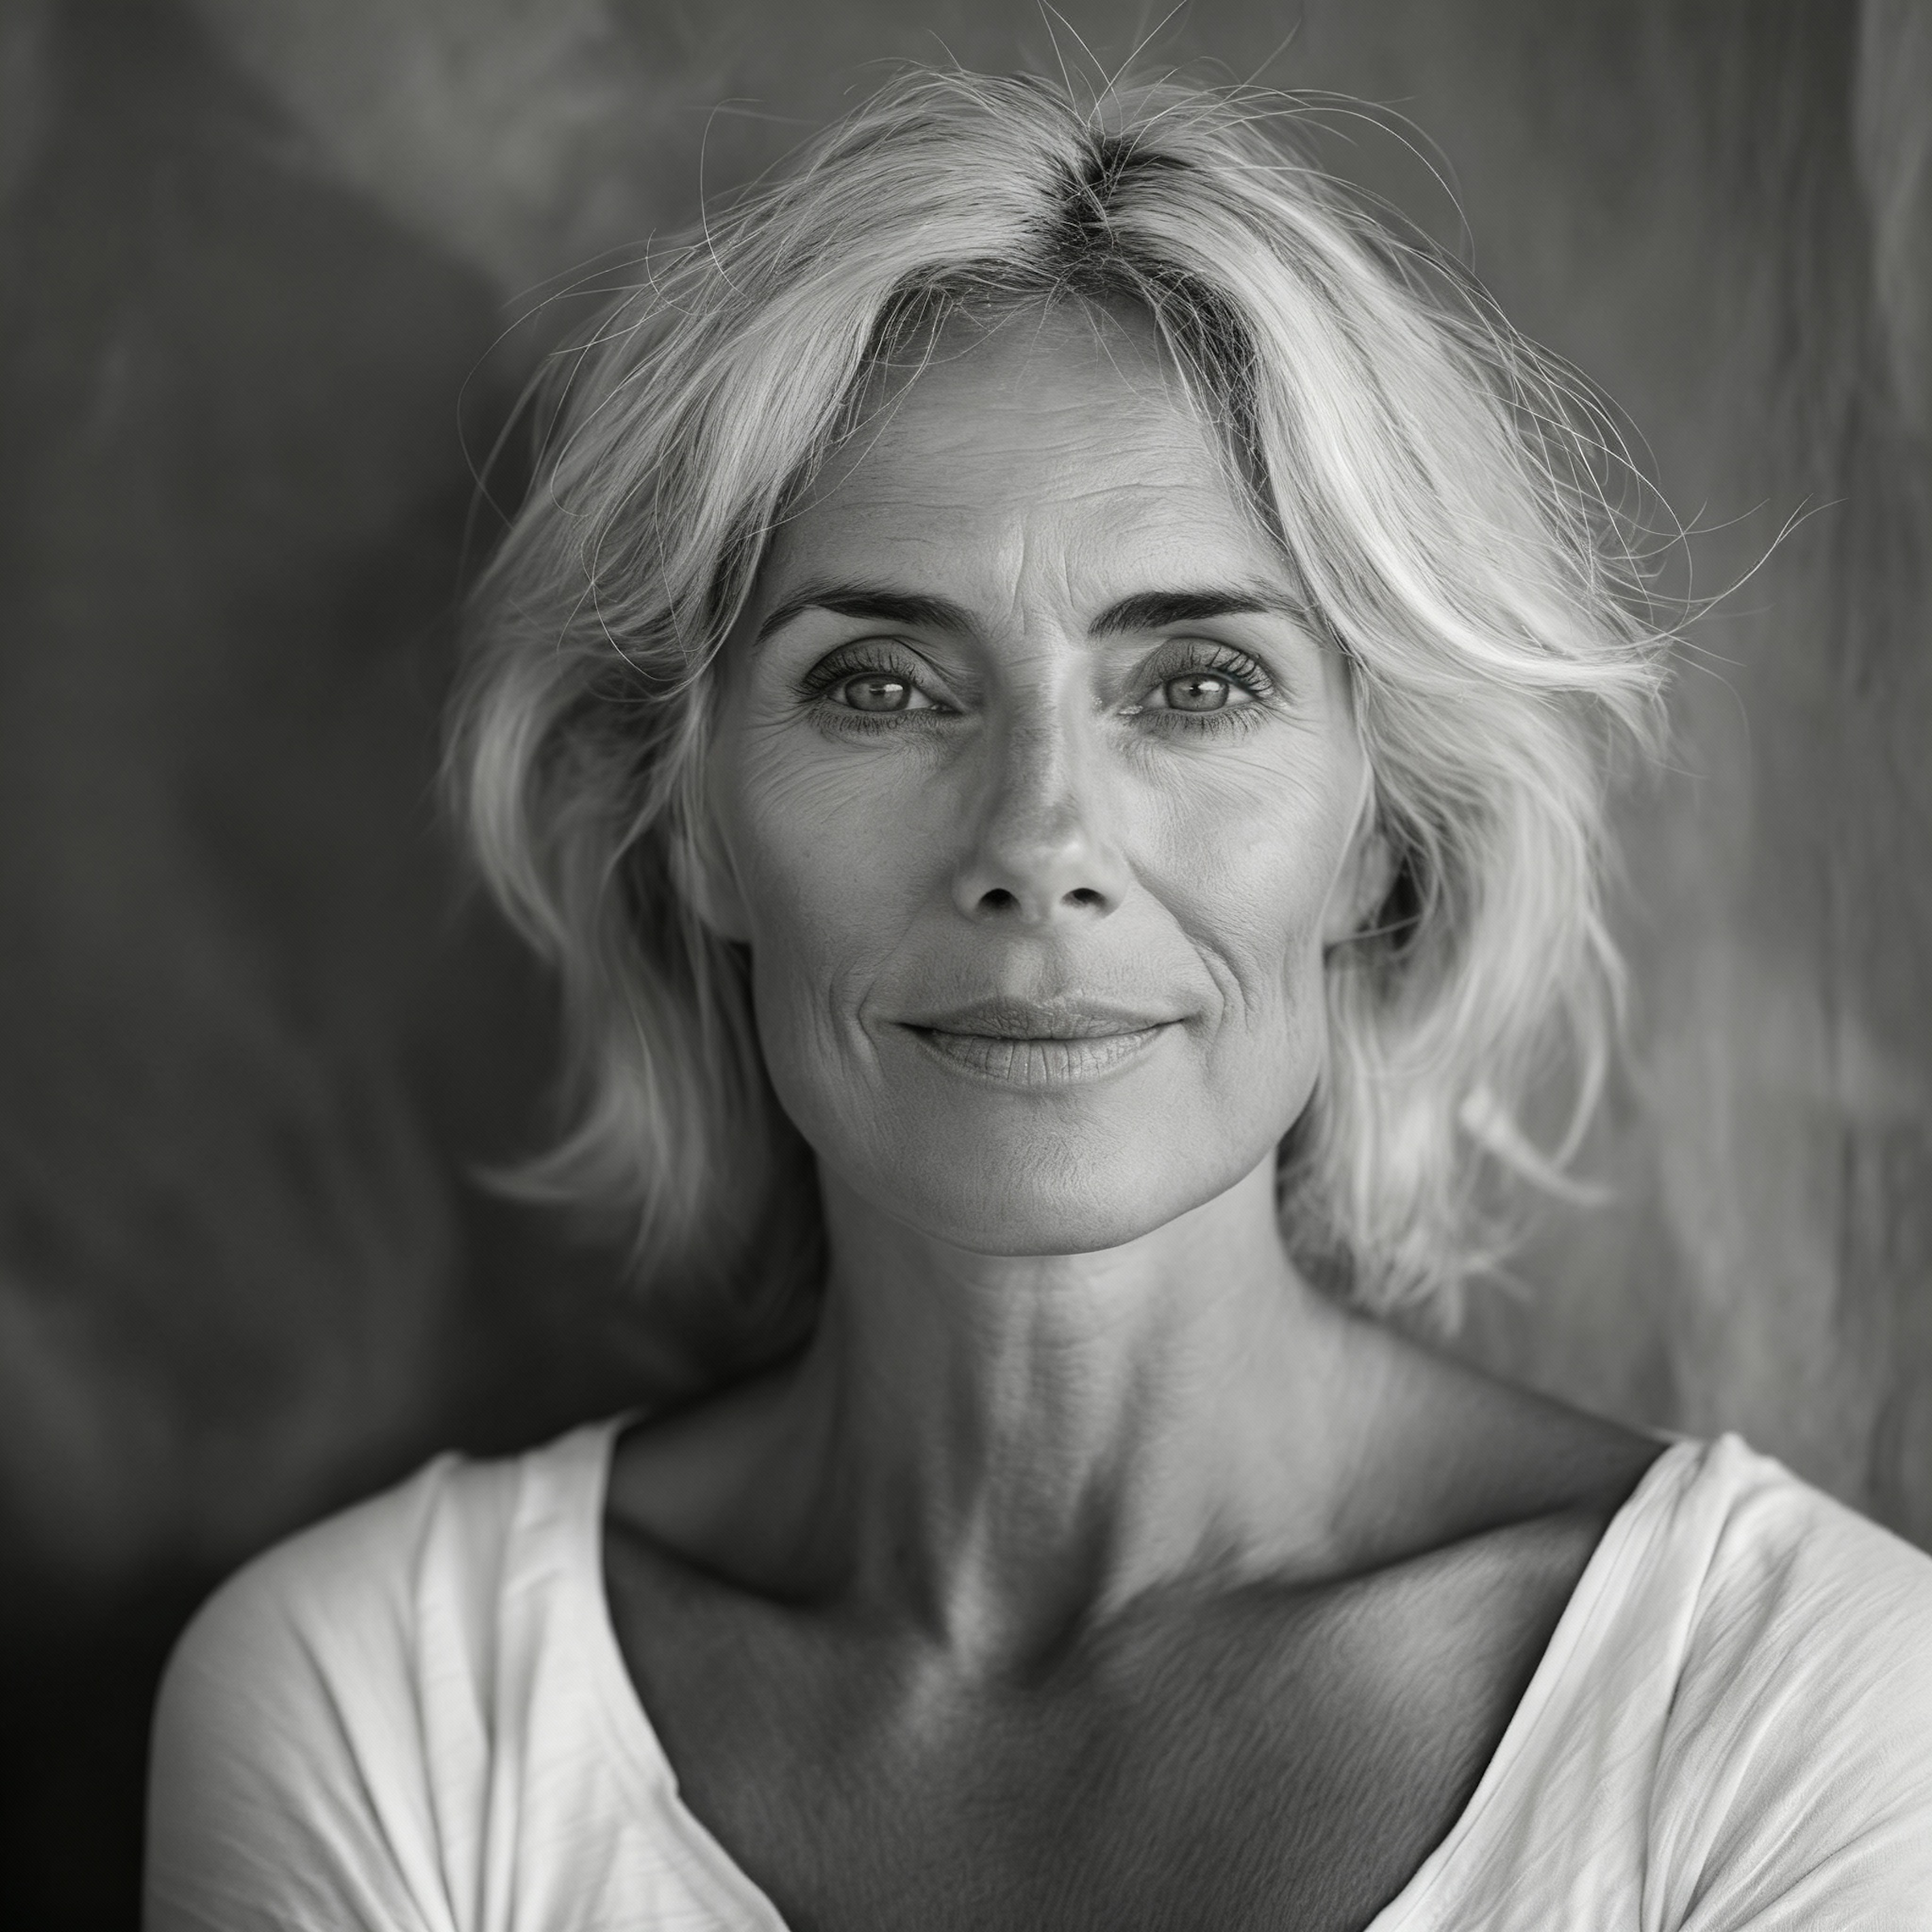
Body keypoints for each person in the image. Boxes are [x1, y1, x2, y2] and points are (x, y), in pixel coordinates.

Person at [144, 66, 1932, 1932]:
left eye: (1198, 686)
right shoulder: (386, 1711)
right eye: (885, 687)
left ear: (1381, 843)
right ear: (690, 832)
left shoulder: (1797, 1711)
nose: (1041, 840)